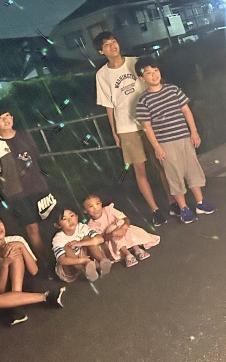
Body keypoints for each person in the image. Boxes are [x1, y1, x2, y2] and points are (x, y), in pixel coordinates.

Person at [93, 31, 176, 225]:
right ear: (101, 51)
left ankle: (173, 201)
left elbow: (153, 86)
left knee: (162, 163)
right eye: (107, 45)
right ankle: (155, 210)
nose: (113, 46)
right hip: (126, 127)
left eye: (114, 41)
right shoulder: (102, 75)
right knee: (140, 170)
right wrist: (114, 131)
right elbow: (109, 106)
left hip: (150, 122)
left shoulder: (135, 62)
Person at [135, 57, 215, 224]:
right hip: (165, 143)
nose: (154, 75)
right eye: (148, 73)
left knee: (192, 169)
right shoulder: (143, 100)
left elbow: (186, 111)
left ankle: (200, 203)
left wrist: (194, 132)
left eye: (155, 70)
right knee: (174, 174)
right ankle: (184, 208)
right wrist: (156, 147)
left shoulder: (173, 90)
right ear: (142, 78)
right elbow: (147, 127)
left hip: (184, 137)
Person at [0, 106, 56, 263]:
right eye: (0, 118)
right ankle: (46, 262)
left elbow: (37, 159)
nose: (6, 120)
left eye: (8, 115)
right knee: (32, 228)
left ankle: (61, 256)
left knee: (51, 221)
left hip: (39, 187)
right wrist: (7, 192)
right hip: (17, 195)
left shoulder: (25, 136)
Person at [0, 214, 65, 325]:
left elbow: (34, 270)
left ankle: (16, 305)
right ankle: (44, 297)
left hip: (21, 284)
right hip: (2, 296)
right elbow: (0, 291)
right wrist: (5, 265)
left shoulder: (16, 240)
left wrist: (21, 246)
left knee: (15, 250)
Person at [82, 193, 161, 267]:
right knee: (111, 228)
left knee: (120, 222)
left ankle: (136, 248)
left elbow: (125, 219)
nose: (96, 208)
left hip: (124, 232)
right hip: (111, 242)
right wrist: (113, 233)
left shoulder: (108, 210)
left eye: (97, 203)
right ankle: (126, 253)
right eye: (91, 206)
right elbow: (101, 239)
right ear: (85, 210)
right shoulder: (91, 225)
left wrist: (124, 228)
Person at [52, 207, 114, 282]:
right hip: (70, 264)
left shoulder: (82, 228)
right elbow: (62, 260)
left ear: (77, 216)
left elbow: (100, 239)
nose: (70, 220)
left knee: (88, 238)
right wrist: (81, 261)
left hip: (85, 257)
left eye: (72, 216)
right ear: (58, 225)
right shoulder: (58, 238)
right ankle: (85, 271)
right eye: (64, 219)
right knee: (67, 247)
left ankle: (102, 261)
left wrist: (80, 243)